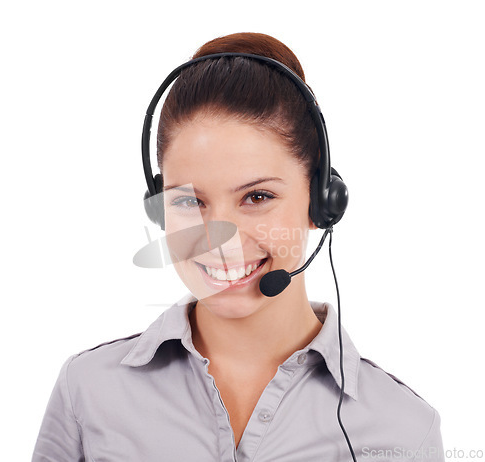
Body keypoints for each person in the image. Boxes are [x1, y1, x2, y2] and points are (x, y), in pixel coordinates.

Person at [32, 32, 445, 462]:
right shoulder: (88, 391)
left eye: (257, 197)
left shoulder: (405, 429)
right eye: (190, 201)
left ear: (321, 201)